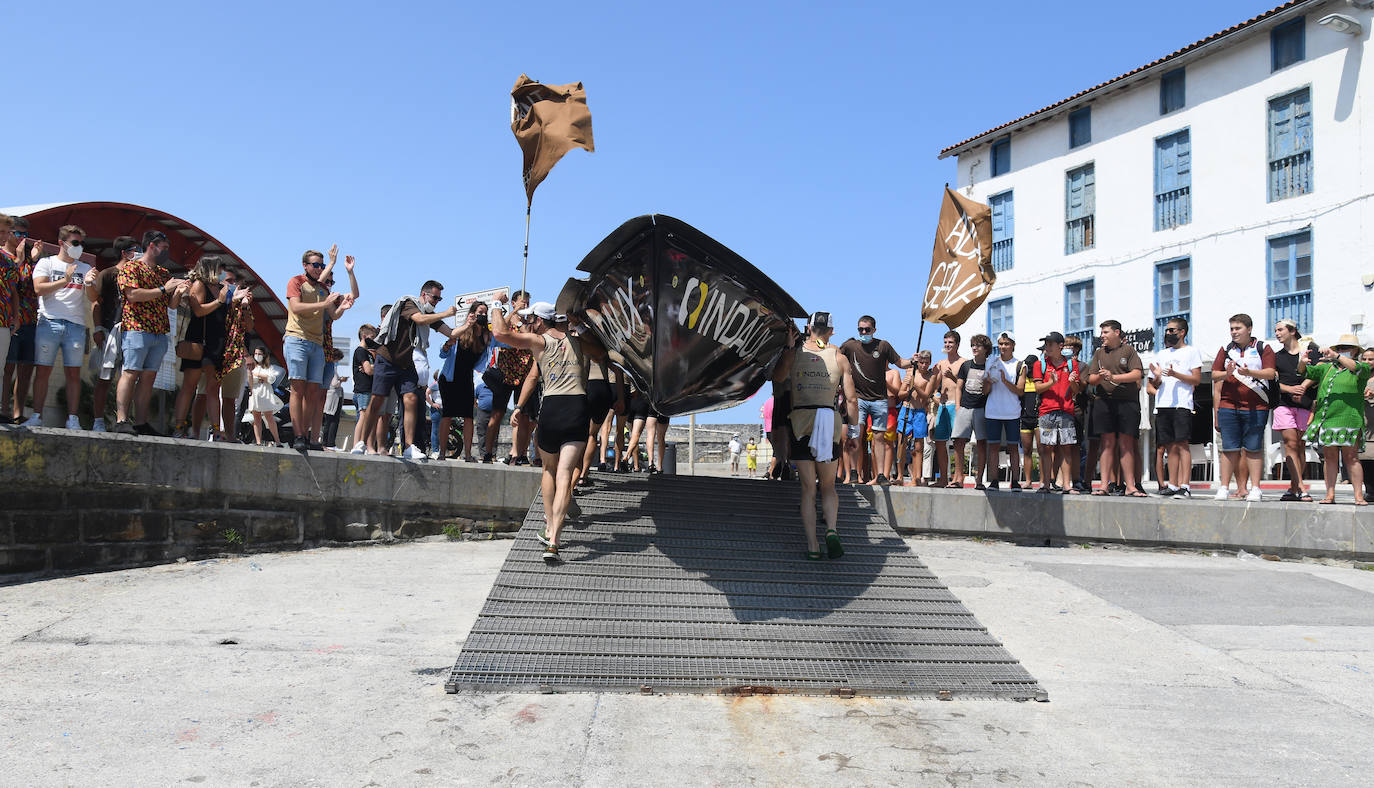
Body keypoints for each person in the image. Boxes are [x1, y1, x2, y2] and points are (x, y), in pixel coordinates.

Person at [491, 297, 606, 563]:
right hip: (577, 408)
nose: (528, 323)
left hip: (552, 409)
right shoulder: (580, 341)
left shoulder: (539, 343)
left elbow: (500, 333)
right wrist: (581, 327)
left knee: (549, 471)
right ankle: (554, 539)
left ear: (540, 321)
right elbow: (601, 354)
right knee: (565, 474)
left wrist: (498, 306)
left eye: (531, 319)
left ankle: (550, 527)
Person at [772, 311, 859, 560]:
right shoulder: (839, 357)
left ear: (808, 328)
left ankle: (812, 546)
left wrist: (789, 349)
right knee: (829, 487)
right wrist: (853, 430)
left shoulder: (795, 352)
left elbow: (778, 379)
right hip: (828, 421)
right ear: (832, 330)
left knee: (808, 489)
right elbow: (851, 400)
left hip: (801, 421)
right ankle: (831, 530)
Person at [362, 281, 454, 460]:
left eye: (440, 298)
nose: (437, 301)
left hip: (405, 363)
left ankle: (409, 446)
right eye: (435, 297)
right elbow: (419, 319)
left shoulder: (429, 314)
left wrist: (470, 323)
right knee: (377, 401)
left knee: (410, 400)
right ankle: (364, 443)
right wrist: (447, 313)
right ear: (424, 294)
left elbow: (451, 332)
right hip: (387, 358)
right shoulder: (409, 303)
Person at [114, 230, 188, 435]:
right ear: (151, 246)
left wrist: (178, 292)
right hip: (137, 329)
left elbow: (171, 305)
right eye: (163, 247)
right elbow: (133, 295)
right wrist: (165, 289)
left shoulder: (164, 273)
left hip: (159, 331)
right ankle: (121, 420)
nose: (166, 252)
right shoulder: (132, 267)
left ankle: (140, 422)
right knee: (130, 372)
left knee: (148, 377)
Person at [172, 254, 249, 440]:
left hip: (217, 342)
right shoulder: (199, 285)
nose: (222, 274)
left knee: (213, 388)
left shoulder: (222, 288)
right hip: (199, 339)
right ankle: (179, 427)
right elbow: (198, 311)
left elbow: (228, 313)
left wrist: (237, 299)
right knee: (190, 386)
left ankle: (216, 430)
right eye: (219, 269)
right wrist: (219, 301)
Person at [27, 225, 97, 428]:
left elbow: (93, 298)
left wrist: (91, 283)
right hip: (49, 322)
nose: (79, 247)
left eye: (81, 243)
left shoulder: (84, 268)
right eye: (75, 243)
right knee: (42, 371)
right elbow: (39, 289)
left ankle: (72, 419)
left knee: (74, 373)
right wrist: (65, 280)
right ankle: (36, 416)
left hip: (75, 326)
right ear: (62, 243)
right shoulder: (46, 263)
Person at [284, 248, 353, 450]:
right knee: (297, 388)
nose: (318, 269)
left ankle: (305, 436)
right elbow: (295, 308)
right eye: (315, 265)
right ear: (305, 265)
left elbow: (333, 314)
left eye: (321, 266)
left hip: (317, 344)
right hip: (297, 338)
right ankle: (298, 434)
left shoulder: (323, 288)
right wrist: (325, 303)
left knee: (313, 392)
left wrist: (342, 307)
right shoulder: (296, 281)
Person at [838, 315, 914, 485]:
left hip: (880, 399)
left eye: (867, 329)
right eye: (860, 329)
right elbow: (836, 356)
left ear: (874, 330)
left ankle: (880, 474)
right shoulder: (851, 345)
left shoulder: (883, 345)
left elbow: (900, 362)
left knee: (879, 437)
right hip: (858, 399)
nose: (863, 332)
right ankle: (853, 473)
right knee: (856, 434)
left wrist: (913, 361)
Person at [1211, 313, 1277, 502]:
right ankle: (1224, 487)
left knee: (1253, 448)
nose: (1234, 332)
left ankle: (1255, 488)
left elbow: (1271, 373)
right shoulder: (1225, 349)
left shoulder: (1263, 348)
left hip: (1256, 406)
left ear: (1249, 329)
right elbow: (1215, 375)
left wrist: (1250, 372)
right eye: (1231, 328)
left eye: (1237, 328)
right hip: (1228, 405)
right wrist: (1226, 373)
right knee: (1229, 448)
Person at [1303, 335, 1370, 506]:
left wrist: (1337, 356)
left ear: (1355, 351)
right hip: (1328, 418)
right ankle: (1330, 494)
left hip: (1349, 418)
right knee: (1329, 457)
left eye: (1346, 348)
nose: (1342, 351)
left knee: (1351, 457)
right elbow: (1305, 371)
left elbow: (1357, 368)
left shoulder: (1361, 367)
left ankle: (1358, 496)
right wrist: (1302, 361)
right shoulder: (1327, 368)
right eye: (1339, 348)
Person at [1145, 317, 1204, 499]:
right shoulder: (1161, 354)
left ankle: (1185, 486)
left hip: (1181, 405)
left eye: (1172, 330)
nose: (1168, 333)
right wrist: (1157, 378)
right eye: (1167, 330)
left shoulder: (1192, 352)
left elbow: (1196, 380)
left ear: (1182, 332)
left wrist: (1175, 373)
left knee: (1182, 444)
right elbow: (1154, 384)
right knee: (1169, 446)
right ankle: (1173, 484)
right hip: (1164, 404)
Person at [1086, 320, 1146, 496]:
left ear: (1117, 332)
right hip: (1104, 402)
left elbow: (1137, 374)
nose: (1102, 336)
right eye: (1102, 333)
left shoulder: (1128, 350)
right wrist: (1100, 376)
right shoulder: (1098, 353)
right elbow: (1091, 379)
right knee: (1106, 444)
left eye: (1105, 332)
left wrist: (1114, 377)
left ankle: (1131, 486)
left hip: (1127, 402)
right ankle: (1104, 485)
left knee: (1127, 444)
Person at [87, 237, 141, 432]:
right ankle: (98, 421)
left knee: (129, 377)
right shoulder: (109, 274)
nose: (138, 253)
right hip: (111, 331)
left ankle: (123, 420)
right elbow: (96, 303)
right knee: (105, 378)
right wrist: (98, 328)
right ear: (124, 252)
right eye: (135, 250)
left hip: (134, 332)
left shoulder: (139, 275)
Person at [436, 303, 493, 462]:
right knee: (447, 414)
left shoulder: (486, 335)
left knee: (468, 416)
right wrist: (467, 326)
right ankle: (441, 452)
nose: (482, 315)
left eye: (485, 313)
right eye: (479, 312)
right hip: (449, 378)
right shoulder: (462, 330)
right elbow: (443, 351)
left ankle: (468, 454)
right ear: (472, 314)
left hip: (466, 378)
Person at [480, 290, 532, 462]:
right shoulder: (506, 319)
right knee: (497, 415)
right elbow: (500, 330)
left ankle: (521, 453)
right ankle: (488, 452)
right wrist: (514, 313)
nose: (525, 305)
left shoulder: (530, 322)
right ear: (513, 302)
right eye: (522, 302)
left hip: (523, 372)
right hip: (505, 372)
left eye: (527, 302)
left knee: (523, 415)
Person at [1031, 332, 1082, 493]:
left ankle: (1067, 485)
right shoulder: (1040, 364)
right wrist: (1051, 382)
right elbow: (1037, 388)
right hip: (1046, 411)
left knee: (1066, 448)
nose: (1047, 347)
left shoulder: (1072, 364)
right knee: (1046, 449)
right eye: (1046, 344)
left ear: (1060, 346)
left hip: (1066, 411)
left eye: (1050, 344)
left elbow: (1076, 391)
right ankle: (1045, 483)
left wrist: (1073, 382)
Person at [1272, 318, 1317, 502]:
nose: (1277, 333)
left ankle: (1293, 486)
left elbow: (1319, 372)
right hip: (1284, 403)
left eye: (1280, 329)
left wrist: (1303, 387)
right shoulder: (1276, 356)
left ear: (1292, 331)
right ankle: (1301, 488)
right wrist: (1290, 389)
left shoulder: (1310, 348)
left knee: (1300, 446)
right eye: (1275, 330)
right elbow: (1273, 382)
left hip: (1305, 403)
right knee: (1290, 443)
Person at [4, 216, 42, 424]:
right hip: (8, 319)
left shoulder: (30, 260)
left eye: (25, 234)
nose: (22, 238)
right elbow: (11, 282)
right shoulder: (5, 256)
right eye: (18, 233)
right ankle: (3, 409)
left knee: (25, 369)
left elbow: (35, 286)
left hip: (30, 320)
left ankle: (18, 413)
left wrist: (34, 260)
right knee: (7, 368)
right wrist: (18, 260)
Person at [945, 334, 993, 489]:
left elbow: (987, 391)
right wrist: (958, 406)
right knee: (958, 442)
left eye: (978, 345)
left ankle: (979, 480)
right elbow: (959, 387)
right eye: (973, 345)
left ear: (985, 349)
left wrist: (987, 381)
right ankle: (958, 478)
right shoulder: (966, 365)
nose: (974, 348)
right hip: (965, 407)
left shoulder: (990, 366)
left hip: (981, 408)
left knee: (981, 443)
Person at [215, 266, 255, 443]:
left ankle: (229, 435)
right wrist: (231, 299)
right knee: (208, 393)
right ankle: (213, 432)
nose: (235, 287)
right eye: (230, 282)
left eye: (236, 284)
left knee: (230, 398)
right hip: (216, 351)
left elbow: (249, 327)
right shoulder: (218, 298)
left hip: (235, 354)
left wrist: (245, 307)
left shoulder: (242, 304)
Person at [984, 331, 1026, 490]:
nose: (1003, 347)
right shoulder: (991, 362)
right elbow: (985, 391)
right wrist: (987, 382)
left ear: (1013, 345)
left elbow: (1020, 391)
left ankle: (1015, 481)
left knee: (1013, 447)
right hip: (993, 411)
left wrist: (1004, 381)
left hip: (1012, 412)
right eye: (1001, 343)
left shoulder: (1020, 365)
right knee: (993, 447)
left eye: (1006, 344)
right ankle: (994, 481)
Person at [930, 331, 965, 487]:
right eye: (945, 342)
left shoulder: (964, 362)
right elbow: (933, 386)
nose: (947, 345)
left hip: (957, 405)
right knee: (939, 443)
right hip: (943, 407)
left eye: (950, 342)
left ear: (957, 344)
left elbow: (965, 386)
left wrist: (952, 377)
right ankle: (943, 478)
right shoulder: (941, 363)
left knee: (958, 444)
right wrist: (934, 397)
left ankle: (958, 478)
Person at [0, 215, 23, 416]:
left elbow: (14, 291)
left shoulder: (10, 261)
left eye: (7, 232)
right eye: (1, 232)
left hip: (3, 321)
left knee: (0, 368)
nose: (5, 236)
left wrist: (15, 317)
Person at [248, 347, 284, 446]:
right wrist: (263, 377)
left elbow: (271, 379)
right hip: (255, 393)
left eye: (259, 354)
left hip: (266, 393)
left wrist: (258, 376)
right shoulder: (252, 366)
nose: (257, 356)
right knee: (256, 418)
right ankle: (258, 441)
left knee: (269, 417)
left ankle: (277, 441)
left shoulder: (269, 367)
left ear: (264, 355)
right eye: (255, 353)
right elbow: (250, 378)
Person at [1018, 353, 1040, 488]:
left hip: (1038, 418)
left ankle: (1044, 480)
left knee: (1042, 451)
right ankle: (1028, 480)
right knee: (1027, 451)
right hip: (1025, 418)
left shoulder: (1040, 379)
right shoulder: (1022, 380)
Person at [1358, 347, 1374, 502]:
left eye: (1371, 359)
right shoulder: (1358, 377)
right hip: (1363, 424)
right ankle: (1369, 491)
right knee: (1365, 457)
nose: (1368, 362)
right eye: (1365, 359)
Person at [322, 371, 347, 449]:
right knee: (332, 421)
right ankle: (330, 443)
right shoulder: (332, 369)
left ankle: (326, 443)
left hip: (331, 398)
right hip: (333, 398)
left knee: (328, 422)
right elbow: (335, 383)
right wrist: (341, 380)